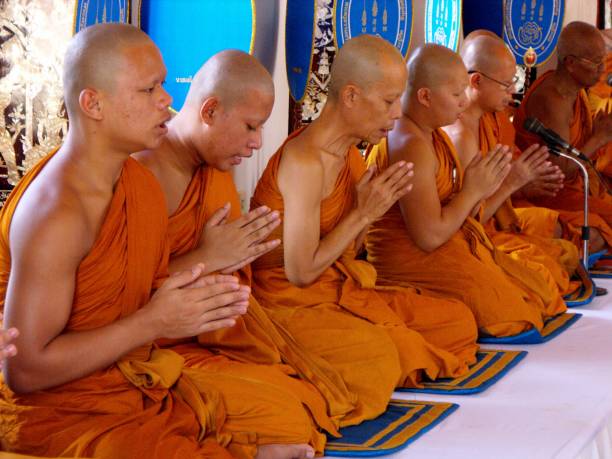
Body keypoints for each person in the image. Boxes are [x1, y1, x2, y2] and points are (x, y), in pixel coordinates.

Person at [0, 23, 257, 458]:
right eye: (149, 89)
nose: (167, 100)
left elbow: (133, 288)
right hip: (58, 409)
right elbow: (24, 370)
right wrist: (154, 322)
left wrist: (196, 292)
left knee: (269, 410)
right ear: (93, 103)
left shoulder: (137, 184)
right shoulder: (56, 213)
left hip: (124, 380)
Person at [134, 49, 369, 457]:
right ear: (209, 110)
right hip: (148, 350)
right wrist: (209, 257)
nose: (258, 142)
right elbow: (119, 299)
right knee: (288, 412)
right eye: (250, 127)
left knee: (311, 393)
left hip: (208, 337)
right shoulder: (140, 174)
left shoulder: (213, 172)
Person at [250, 35, 479, 391]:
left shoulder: (350, 156)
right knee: (383, 356)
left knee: (457, 320)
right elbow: (300, 272)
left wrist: (368, 211)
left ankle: (391, 347)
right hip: (288, 305)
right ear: (351, 96)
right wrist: (362, 213)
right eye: (388, 101)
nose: (397, 113)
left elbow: (346, 252)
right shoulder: (305, 161)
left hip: (336, 290)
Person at [365, 43, 567, 337]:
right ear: (424, 96)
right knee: (510, 317)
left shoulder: (429, 135)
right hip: (411, 260)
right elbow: (428, 237)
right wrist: (474, 191)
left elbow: (458, 215)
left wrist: (485, 188)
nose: (463, 102)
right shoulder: (410, 144)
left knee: (536, 292)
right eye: (457, 94)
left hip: (449, 244)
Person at [443, 33, 581, 295]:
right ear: (476, 81)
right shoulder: (460, 134)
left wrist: (523, 180)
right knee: (544, 274)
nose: (514, 91)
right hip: (469, 240)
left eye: (514, 81)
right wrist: (513, 183)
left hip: (491, 230)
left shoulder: (488, 120)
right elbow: (467, 222)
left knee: (561, 253)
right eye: (506, 84)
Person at [514, 21, 612, 227]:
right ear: (570, 63)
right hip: (550, 194)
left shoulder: (575, 92)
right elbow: (562, 171)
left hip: (576, 186)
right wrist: (598, 138)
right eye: (596, 62)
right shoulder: (552, 100)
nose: (602, 69)